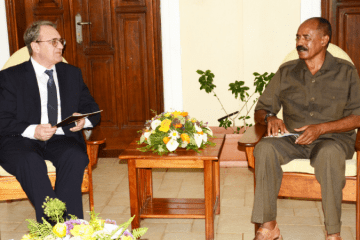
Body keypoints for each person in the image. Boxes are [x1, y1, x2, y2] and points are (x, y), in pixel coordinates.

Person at [252, 17, 360, 240]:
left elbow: (357, 116)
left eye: (306, 38)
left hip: (333, 140)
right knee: (264, 148)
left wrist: (321, 129)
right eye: (298, 37)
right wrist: (271, 117)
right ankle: (269, 227)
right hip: (294, 139)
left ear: (324, 40)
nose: (300, 43)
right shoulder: (287, 71)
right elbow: (261, 110)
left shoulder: (346, 72)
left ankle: (333, 234)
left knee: (329, 155)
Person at [0, 21, 101, 222]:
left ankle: (69, 228)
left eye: (60, 41)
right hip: (21, 140)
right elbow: (3, 119)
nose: (61, 46)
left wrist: (84, 121)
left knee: (75, 157)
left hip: (61, 139)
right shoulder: (10, 77)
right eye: (54, 42)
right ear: (35, 46)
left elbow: (93, 110)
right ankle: (60, 225)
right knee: (31, 162)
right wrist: (33, 130)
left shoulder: (72, 74)